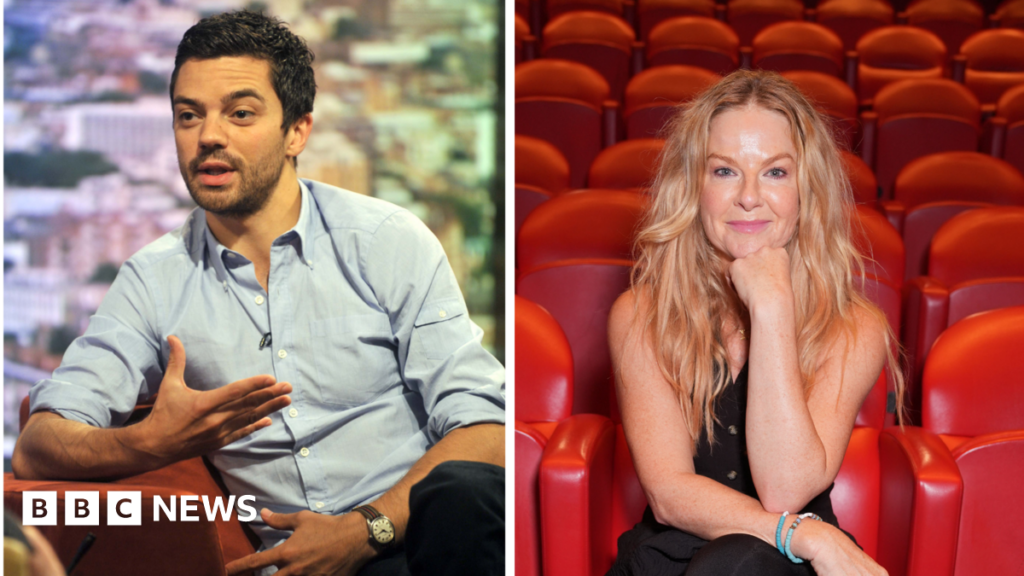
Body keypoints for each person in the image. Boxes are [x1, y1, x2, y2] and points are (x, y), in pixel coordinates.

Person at [11, 10, 507, 576]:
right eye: (188, 116)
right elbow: (36, 447)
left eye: (240, 114)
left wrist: (360, 530)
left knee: (468, 494)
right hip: (285, 566)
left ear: (297, 130)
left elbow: (485, 429)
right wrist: (151, 442)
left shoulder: (386, 241)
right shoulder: (152, 280)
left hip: (412, 541)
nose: (209, 137)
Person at [605, 70, 904, 576]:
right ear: (693, 186)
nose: (748, 196)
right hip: (674, 556)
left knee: (738, 563)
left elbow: (785, 489)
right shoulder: (640, 313)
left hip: (785, 569)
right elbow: (669, 494)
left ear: (806, 190)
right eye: (724, 171)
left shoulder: (855, 327)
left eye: (775, 172)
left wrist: (771, 308)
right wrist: (808, 535)